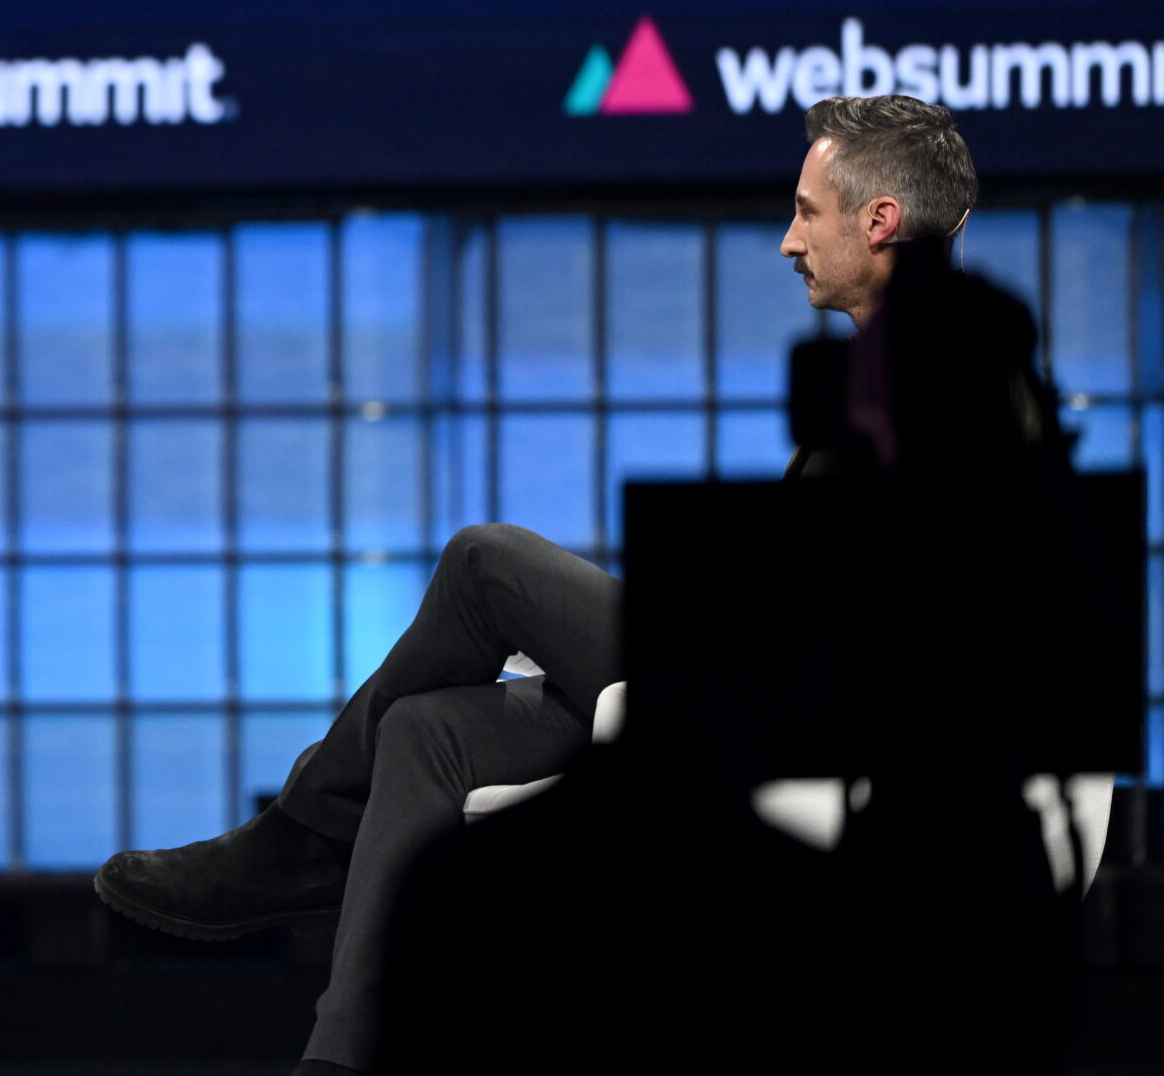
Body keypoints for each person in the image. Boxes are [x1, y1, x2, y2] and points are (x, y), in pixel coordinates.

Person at [92, 95, 978, 1076]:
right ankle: (341, 1060)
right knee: (423, 733)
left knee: (484, 561)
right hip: (732, 678)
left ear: (879, 221)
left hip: (800, 710)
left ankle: (294, 841)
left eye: (808, 212)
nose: (786, 241)